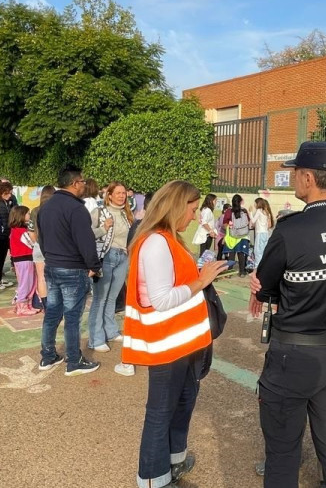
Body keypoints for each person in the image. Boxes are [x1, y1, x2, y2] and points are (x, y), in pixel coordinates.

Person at [249, 141, 326, 488]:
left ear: (308, 177)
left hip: (293, 357)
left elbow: (267, 287)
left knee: (284, 452)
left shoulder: (291, 230)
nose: (294, 180)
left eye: (295, 174)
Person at [119, 180, 226, 488]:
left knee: (184, 399)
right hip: (167, 343)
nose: (194, 216)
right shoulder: (156, 243)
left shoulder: (168, 239)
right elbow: (161, 299)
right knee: (161, 410)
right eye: (192, 209)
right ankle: (153, 478)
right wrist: (202, 281)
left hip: (182, 340)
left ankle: (174, 459)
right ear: (178, 206)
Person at [36, 166, 102, 376]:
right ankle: (74, 360)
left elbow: (42, 238)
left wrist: (51, 258)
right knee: (72, 317)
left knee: (52, 313)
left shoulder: (46, 207)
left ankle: (48, 356)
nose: (84, 185)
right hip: (73, 269)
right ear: (75, 183)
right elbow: (86, 241)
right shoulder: (76, 208)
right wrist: (94, 266)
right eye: (82, 182)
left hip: (53, 266)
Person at [87, 181, 135, 360]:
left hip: (122, 257)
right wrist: (103, 228)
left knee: (112, 299)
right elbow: (87, 234)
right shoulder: (98, 212)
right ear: (110, 195)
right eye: (119, 193)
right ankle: (96, 338)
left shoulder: (126, 214)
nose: (122, 196)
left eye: (124, 193)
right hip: (105, 257)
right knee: (100, 299)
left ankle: (111, 331)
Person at [9, 206, 40, 316]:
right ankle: (21, 306)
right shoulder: (21, 231)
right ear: (21, 216)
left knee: (30, 283)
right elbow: (32, 243)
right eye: (28, 213)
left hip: (23, 259)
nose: (29, 215)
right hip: (24, 259)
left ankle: (27, 305)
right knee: (26, 283)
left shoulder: (16, 230)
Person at [31, 185, 56, 311]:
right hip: (54, 247)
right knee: (55, 277)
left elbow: (31, 232)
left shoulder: (35, 211)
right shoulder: (56, 209)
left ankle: (46, 306)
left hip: (38, 246)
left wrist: (37, 242)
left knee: (41, 278)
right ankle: (55, 303)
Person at [222, 194, 252, 277]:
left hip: (232, 235)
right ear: (240, 202)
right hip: (243, 235)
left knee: (231, 253)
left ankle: (229, 273)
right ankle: (242, 272)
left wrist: (229, 228)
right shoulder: (244, 211)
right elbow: (248, 222)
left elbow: (224, 224)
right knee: (241, 253)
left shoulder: (228, 211)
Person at [250, 197, 274, 268]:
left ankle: (257, 269)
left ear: (258, 203)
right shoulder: (267, 212)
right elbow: (268, 226)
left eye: (255, 203)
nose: (254, 204)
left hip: (260, 234)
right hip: (265, 233)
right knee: (264, 251)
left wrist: (250, 212)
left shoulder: (259, 211)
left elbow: (253, 221)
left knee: (257, 252)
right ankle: (264, 267)